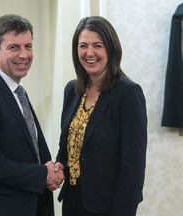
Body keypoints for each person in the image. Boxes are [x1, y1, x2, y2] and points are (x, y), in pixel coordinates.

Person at [0, 14, 64, 216]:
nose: (24, 55)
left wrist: (50, 167)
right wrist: (42, 174)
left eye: (28, 46)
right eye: (14, 47)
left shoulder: (18, 92)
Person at [56, 16, 147, 216]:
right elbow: (69, 144)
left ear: (111, 49)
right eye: (83, 46)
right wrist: (58, 167)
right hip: (72, 202)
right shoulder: (72, 90)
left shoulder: (128, 94)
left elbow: (133, 166)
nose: (90, 53)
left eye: (98, 45)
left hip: (109, 207)